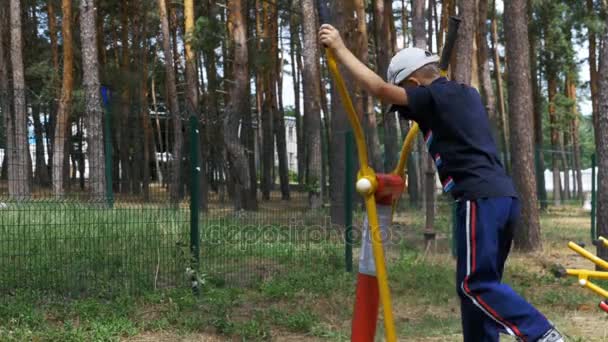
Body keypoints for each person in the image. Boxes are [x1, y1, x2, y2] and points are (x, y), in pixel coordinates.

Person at [318, 24, 564, 342]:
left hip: (477, 198)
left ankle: (540, 333)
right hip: (504, 199)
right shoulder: (465, 94)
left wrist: (340, 47)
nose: (407, 113)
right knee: (479, 291)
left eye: (406, 105)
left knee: (474, 285)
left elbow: (379, 89)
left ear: (413, 83)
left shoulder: (431, 97)